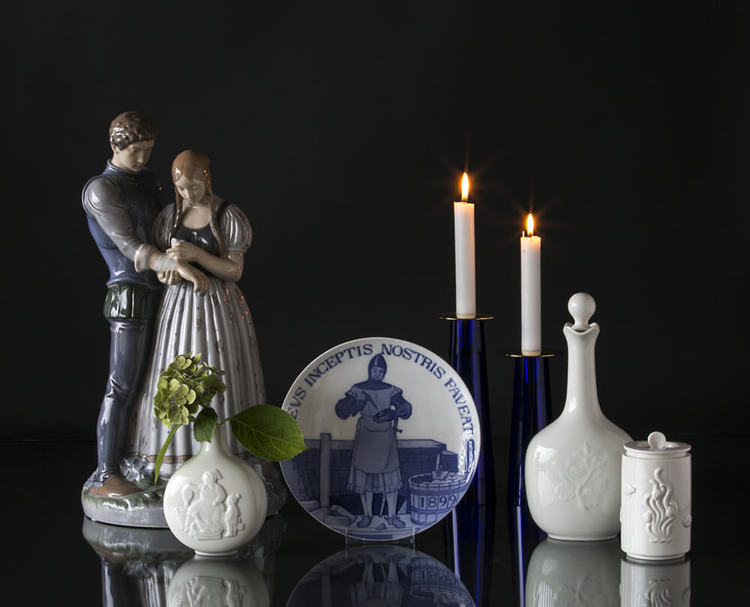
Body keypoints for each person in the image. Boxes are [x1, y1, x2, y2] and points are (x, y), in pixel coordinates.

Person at [82, 112, 208, 497]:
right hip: (130, 293)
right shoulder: (101, 190)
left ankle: (146, 455)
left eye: (148, 151)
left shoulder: (149, 181)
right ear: (115, 146)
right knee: (122, 385)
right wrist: (167, 263)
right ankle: (107, 472)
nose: (142, 158)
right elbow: (128, 243)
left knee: (158, 382)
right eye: (136, 151)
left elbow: (164, 227)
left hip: (165, 289)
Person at [127, 149, 265, 479]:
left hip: (220, 308)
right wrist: (170, 272)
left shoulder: (227, 216)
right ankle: (173, 461)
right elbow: (163, 266)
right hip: (179, 308)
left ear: (207, 178)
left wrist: (197, 255)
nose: (188, 194)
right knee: (176, 373)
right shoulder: (170, 217)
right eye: (181, 188)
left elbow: (233, 270)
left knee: (220, 372)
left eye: (193, 187)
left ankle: (229, 459)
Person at [335, 354, 412, 529]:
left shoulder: (391, 390)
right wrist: (356, 404)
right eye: (375, 370)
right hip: (366, 436)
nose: (377, 373)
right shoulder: (358, 389)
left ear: (384, 373)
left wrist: (394, 413)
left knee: (390, 480)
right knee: (366, 480)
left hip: (386, 436)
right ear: (370, 370)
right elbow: (341, 409)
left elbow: (406, 407)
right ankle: (367, 515)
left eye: (381, 371)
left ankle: (392, 517)